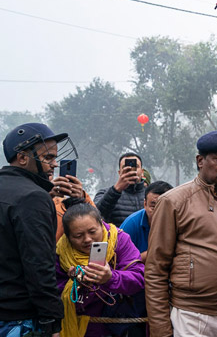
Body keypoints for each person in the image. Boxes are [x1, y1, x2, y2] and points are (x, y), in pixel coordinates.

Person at [145, 131, 217, 337]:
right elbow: (156, 271)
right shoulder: (173, 202)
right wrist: (161, 330)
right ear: (200, 161)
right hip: (192, 318)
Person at [0, 123, 73, 337]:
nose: (55, 164)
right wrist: (52, 320)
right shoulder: (33, 197)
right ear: (22, 157)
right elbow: (39, 264)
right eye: (48, 158)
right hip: (18, 318)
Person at [55, 198, 145, 337]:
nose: (87, 239)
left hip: (113, 323)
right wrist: (74, 284)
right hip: (74, 322)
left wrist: (110, 278)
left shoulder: (119, 240)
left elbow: (139, 278)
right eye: (78, 236)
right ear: (67, 237)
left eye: (92, 231)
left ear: (101, 225)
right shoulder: (61, 250)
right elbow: (51, 288)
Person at [119, 180, 173, 262]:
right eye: (153, 206)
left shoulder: (180, 223)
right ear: (145, 204)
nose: (158, 212)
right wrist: (152, 254)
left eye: (163, 207)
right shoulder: (131, 224)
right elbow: (120, 261)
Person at [94, 153, 146, 227]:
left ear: (142, 172)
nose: (130, 170)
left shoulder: (149, 194)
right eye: (125, 167)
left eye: (136, 166)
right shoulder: (105, 193)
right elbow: (95, 215)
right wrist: (116, 190)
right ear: (119, 172)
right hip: (119, 238)